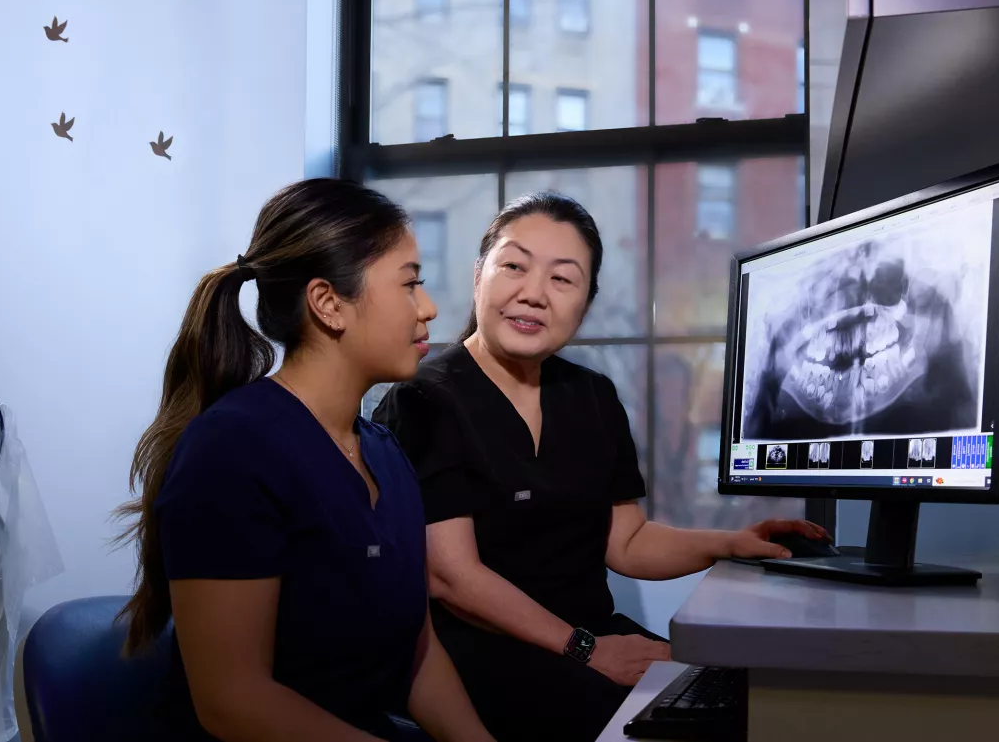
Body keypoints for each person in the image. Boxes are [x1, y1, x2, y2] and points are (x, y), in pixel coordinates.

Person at [373, 192, 829, 742]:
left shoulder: (592, 395)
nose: (534, 294)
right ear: (479, 276)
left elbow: (627, 543)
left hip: (591, 638)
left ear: (585, 303)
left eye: (562, 280)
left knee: (750, 700)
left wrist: (731, 542)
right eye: (514, 266)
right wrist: (586, 650)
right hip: (479, 654)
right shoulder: (424, 400)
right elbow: (451, 578)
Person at [114, 178, 495, 742]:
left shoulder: (385, 454)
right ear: (328, 303)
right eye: (410, 284)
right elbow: (232, 701)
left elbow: (418, 650)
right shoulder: (234, 450)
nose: (430, 308)